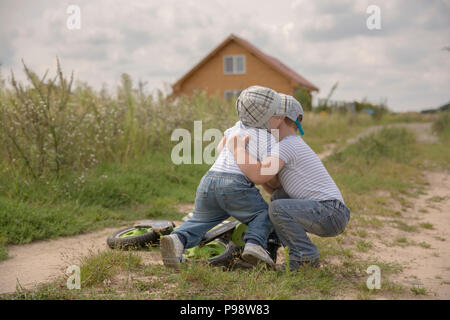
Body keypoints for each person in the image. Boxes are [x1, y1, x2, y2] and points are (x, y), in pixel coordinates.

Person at [160, 86, 286, 269]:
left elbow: (220, 149)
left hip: (209, 181)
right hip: (235, 185)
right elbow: (264, 172)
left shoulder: (234, 129)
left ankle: (177, 239)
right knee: (262, 214)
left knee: (200, 221)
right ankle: (254, 245)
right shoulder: (268, 138)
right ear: (268, 116)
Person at [226, 94, 350, 271]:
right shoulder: (285, 145)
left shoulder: (288, 145)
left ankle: (304, 260)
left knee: (278, 208)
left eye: (265, 119)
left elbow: (260, 175)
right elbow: (272, 185)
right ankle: (271, 248)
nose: (261, 125)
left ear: (279, 119)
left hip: (331, 212)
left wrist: (237, 149)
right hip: (329, 212)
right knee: (278, 199)